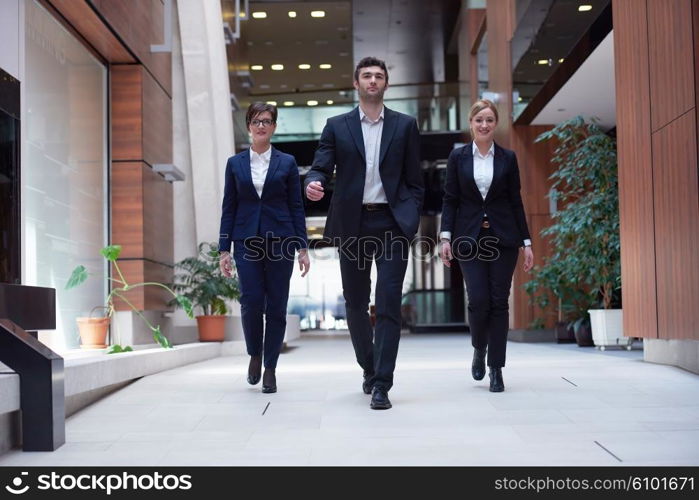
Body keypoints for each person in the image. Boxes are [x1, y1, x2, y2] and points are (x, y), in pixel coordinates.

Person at [305, 57, 423, 410]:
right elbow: (321, 165)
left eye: (379, 76)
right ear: (356, 83)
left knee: (388, 301)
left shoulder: (405, 126)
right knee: (356, 302)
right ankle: (369, 368)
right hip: (352, 224)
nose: (373, 80)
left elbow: (415, 181)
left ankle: (382, 383)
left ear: (386, 84)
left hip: (391, 224)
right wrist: (314, 181)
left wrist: (410, 216)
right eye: (367, 76)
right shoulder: (336, 126)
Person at [438, 99, 534, 392]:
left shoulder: (507, 158)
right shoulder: (458, 158)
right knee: (478, 301)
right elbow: (451, 198)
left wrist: (526, 242)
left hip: (503, 238)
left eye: (489, 120)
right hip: (469, 239)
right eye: (479, 119)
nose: (484, 125)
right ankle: (479, 347)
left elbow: (515, 201)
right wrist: (445, 236)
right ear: (471, 123)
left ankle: (496, 368)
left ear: (496, 124)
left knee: (498, 302)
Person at [219, 102, 310, 394]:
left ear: (274, 127)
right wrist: (224, 249)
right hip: (247, 240)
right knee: (251, 301)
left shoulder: (287, 162)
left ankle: (270, 366)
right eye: (257, 121)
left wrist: (302, 247)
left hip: (281, 239)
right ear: (249, 125)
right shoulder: (235, 164)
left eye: (267, 121)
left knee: (277, 306)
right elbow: (229, 207)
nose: (262, 126)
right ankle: (255, 354)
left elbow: (296, 206)